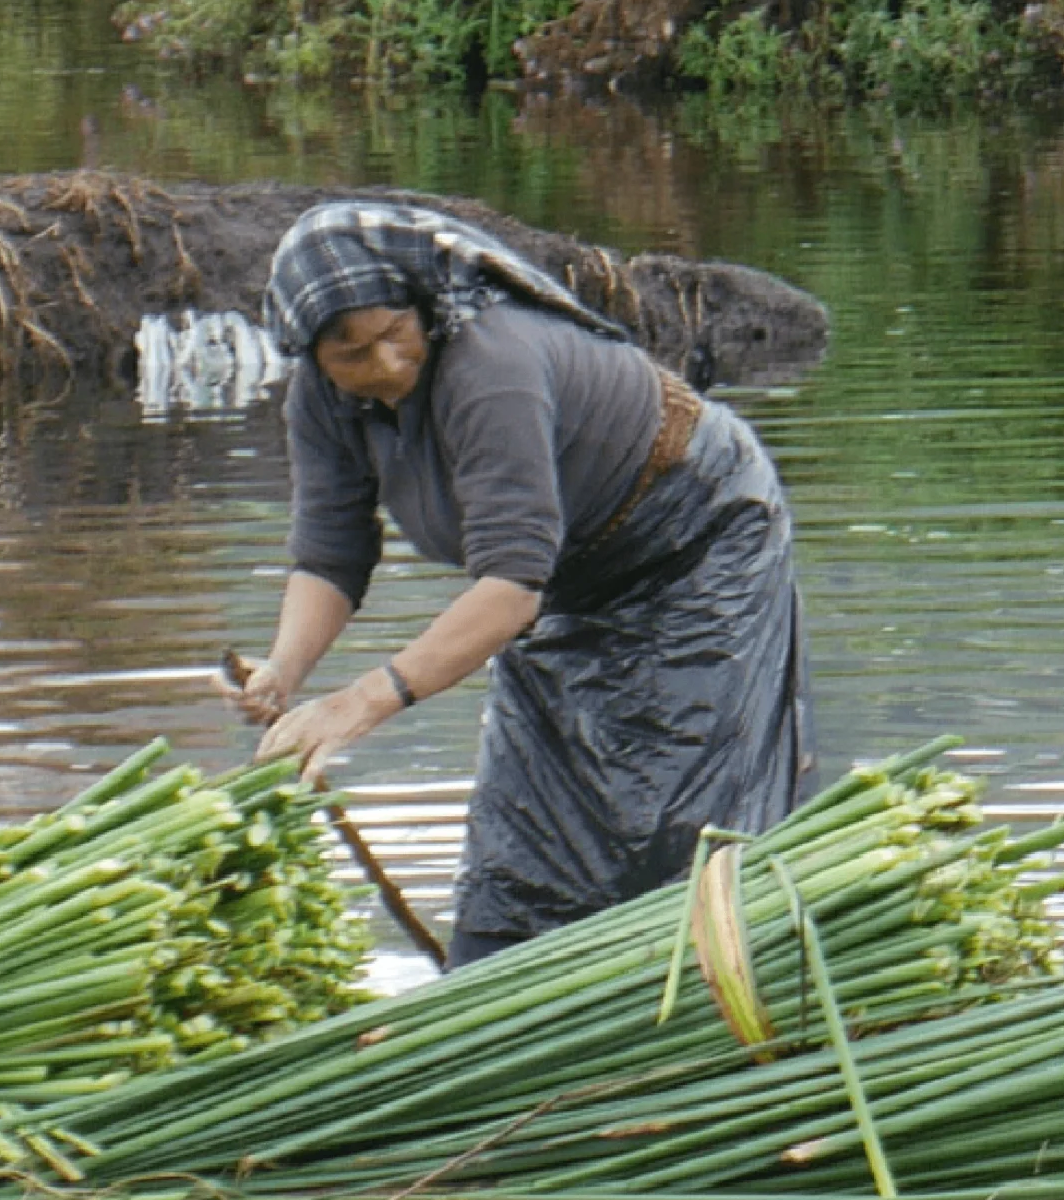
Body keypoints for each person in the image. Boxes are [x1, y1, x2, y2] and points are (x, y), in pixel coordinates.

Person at [228, 198, 816, 969]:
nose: (385, 367)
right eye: (351, 355)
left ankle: (707, 989)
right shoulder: (321, 401)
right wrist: (285, 673)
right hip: (572, 570)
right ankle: (495, 989)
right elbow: (331, 554)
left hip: (695, 540)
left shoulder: (489, 368)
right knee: (527, 826)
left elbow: (509, 592)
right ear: (312, 357)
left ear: (422, 309)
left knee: (674, 806)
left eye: (393, 335)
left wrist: (357, 704)